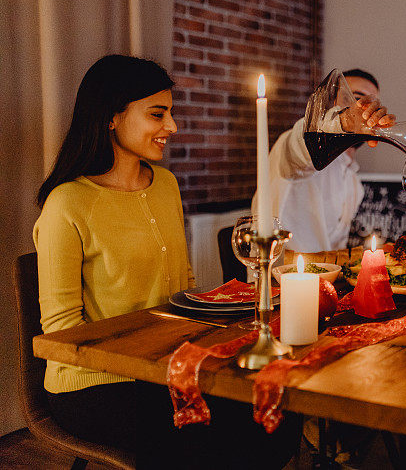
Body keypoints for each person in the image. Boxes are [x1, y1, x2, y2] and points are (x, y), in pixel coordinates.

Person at [35, 55, 299, 468]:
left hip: (168, 365)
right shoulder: (67, 203)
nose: (172, 127)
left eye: (171, 113)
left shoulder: (165, 185)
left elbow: (183, 284)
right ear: (111, 117)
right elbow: (62, 333)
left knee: (275, 413)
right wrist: (152, 366)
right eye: (157, 114)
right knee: (209, 437)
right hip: (91, 382)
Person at [254, 68, 394, 252]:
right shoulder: (296, 148)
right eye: (356, 98)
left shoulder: (353, 182)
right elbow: (300, 146)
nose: (365, 109)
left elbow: (335, 250)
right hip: (278, 276)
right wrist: (344, 121)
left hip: (327, 277)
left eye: (371, 103)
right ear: (331, 103)